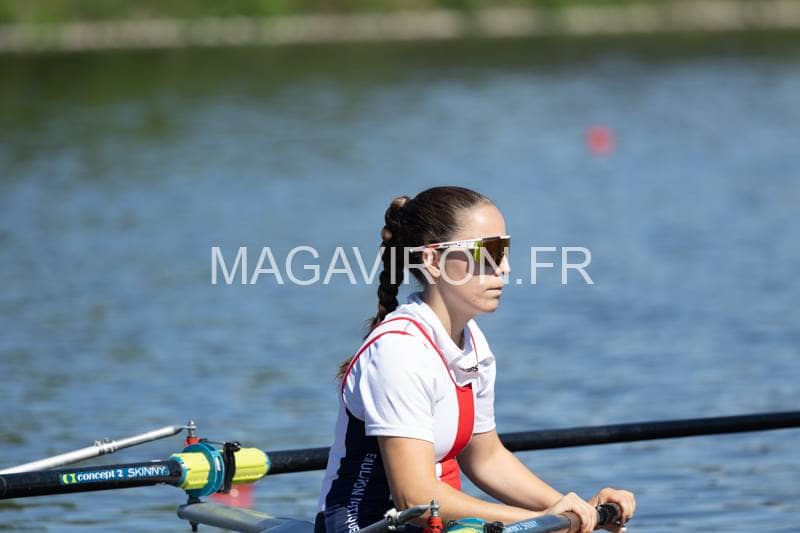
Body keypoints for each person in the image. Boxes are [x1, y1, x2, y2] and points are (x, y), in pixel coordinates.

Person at [315, 186, 635, 533]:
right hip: (364, 526)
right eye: (489, 251)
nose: (505, 268)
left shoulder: (472, 341)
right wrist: (543, 522)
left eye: (505, 249)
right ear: (433, 261)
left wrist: (577, 509)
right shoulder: (398, 352)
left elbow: (486, 458)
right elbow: (414, 497)